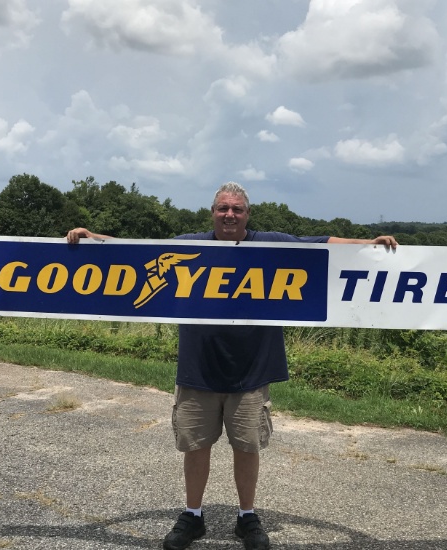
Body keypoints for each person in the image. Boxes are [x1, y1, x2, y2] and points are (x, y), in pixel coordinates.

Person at [67, 182, 397, 550]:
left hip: (252, 370)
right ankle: (192, 515)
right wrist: (92, 237)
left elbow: (322, 245)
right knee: (195, 445)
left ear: (247, 214)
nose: (229, 215)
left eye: (237, 209)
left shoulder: (270, 243)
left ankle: (246, 517)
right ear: (213, 212)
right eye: (223, 208)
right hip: (198, 368)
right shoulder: (191, 244)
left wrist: (369, 245)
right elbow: (137, 252)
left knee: (247, 447)